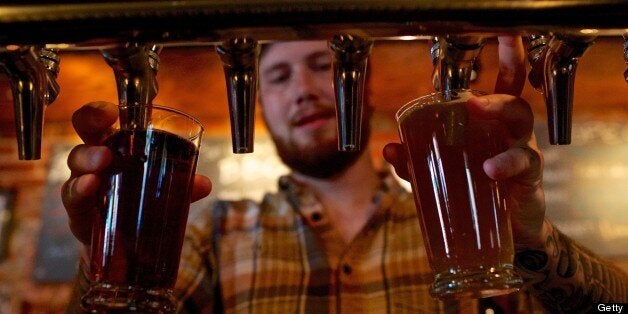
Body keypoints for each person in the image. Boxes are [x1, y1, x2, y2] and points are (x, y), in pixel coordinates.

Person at [63, 37, 627, 313]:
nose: (304, 89)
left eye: (322, 66)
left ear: (364, 86)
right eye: (279, 76)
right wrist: (106, 256)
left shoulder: (460, 235)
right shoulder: (215, 235)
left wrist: (534, 244)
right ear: (260, 108)